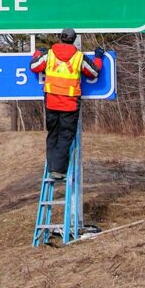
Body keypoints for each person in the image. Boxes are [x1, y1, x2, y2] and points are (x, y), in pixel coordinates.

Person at [29, 28, 104, 180]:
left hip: (51, 101)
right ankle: (58, 170)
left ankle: (51, 166)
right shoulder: (78, 57)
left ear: (60, 38)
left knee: (53, 134)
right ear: (74, 40)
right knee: (65, 136)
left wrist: (37, 53)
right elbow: (94, 72)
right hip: (70, 104)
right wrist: (98, 57)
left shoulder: (49, 54)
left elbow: (33, 67)